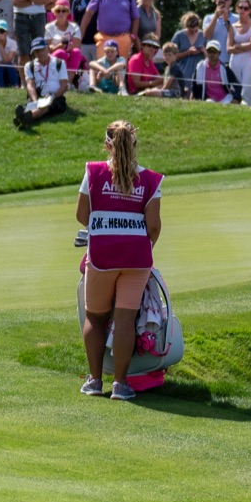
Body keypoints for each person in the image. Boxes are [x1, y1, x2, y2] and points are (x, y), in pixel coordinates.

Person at [74, 120, 165, 401]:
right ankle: (120, 385)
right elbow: (154, 226)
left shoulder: (93, 172)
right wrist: (144, 245)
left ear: (107, 144)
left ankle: (95, 381)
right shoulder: (150, 179)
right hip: (137, 258)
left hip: (102, 256)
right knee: (125, 320)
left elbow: (81, 215)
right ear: (134, 144)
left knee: (94, 316)